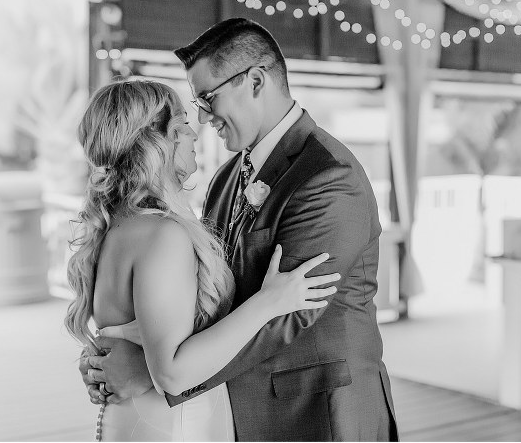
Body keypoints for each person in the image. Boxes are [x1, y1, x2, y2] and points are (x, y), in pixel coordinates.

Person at [81, 18, 399, 441]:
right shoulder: (225, 178)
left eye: (208, 98)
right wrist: (139, 351)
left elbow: (292, 314)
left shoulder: (328, 176)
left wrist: (152, 370)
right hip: (236, 413)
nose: (202, 117)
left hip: (316, 413)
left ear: (255, 81)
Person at [64, 79, 339, 441]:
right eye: (181, 123)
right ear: (156, 142)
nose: (194, 132)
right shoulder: (162, 235)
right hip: (174, 426)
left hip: (142, 420)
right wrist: (269, 302)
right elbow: (171, 373)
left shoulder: (120, 225)